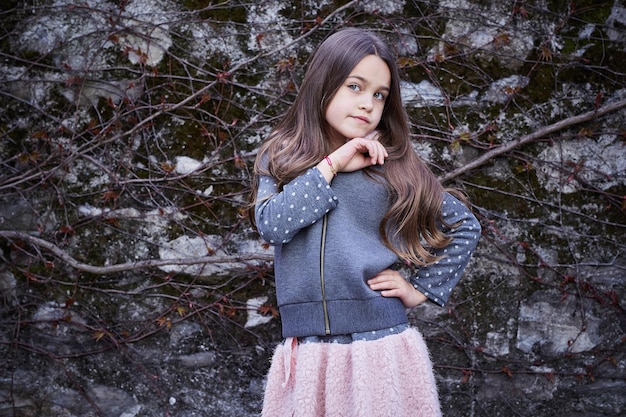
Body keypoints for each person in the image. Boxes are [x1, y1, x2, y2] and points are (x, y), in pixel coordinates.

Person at [251, 27, 481, 417]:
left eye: (379, 94)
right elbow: (273, 224)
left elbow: (465, 226)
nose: (368, 104)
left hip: (379, 345)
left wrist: (418, 290)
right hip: (307, 353)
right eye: (355, 87)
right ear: (324, 83)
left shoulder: (392, 165)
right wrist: (333, 165)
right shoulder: (281, 157)